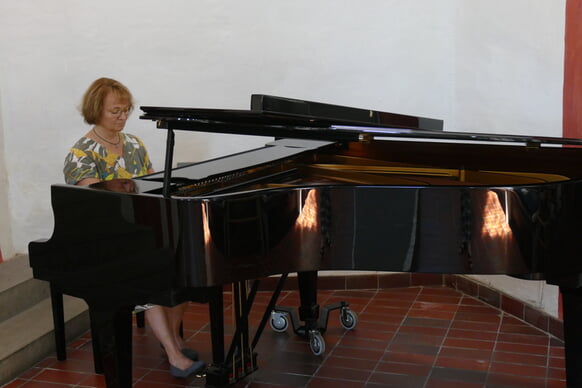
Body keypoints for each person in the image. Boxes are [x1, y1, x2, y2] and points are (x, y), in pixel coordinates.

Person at [63, 77, 205, 378]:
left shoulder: (134, 145)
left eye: (126, 110)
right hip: (104, 241)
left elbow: (151, 187)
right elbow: (93, 206)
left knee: (189, 267)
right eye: (115, 111)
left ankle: (174, 335)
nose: (123, 117)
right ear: (96, 110)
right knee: (146, 273)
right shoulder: (81, 154)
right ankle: (173, 353)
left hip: (139, 233)